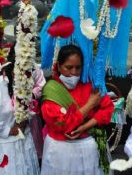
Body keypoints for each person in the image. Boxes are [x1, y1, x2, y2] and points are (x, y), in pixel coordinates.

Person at [41, 44, 114, 175]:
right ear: (58, 66)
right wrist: (90, 104)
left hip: (90, 149)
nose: (74, 72)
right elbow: (62, 124)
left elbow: (107, 109)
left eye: (78, 67)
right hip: (61, 152)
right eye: (68, 68)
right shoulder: (51, 90)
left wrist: (84, 127)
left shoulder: (88, 84)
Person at [0, 50, 40, 175]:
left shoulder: (27, 84)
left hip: (23, 142)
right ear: (11, 68)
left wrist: (24, 120)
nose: (24, 75)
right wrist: (10, 130)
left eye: (27, 70)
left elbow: (30, 108)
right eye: (20, 70)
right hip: (1, 147)